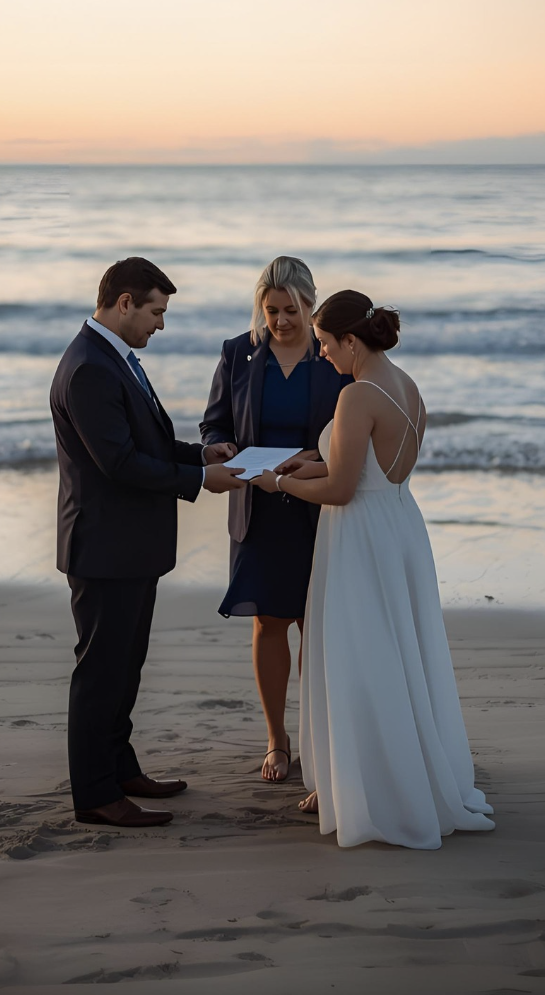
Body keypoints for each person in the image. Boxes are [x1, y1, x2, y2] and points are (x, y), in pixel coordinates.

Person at [254, 290, 495, 848]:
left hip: (359, 537)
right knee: (395, 653)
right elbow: (374, 470)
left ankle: (362, 786)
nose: (321, 353)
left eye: (325, 343)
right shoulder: (408, 386)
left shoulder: (356, 395)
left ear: (351, 340)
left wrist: (278, 482)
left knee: (358, 656)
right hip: (400, 527)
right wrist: (309, 462)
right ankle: (376, 773)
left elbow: (343, 490)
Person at [50, 257, 244, 828]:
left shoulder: (113, 359)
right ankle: (95, 794)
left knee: (125, 667)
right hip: (105, 548)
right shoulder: (89, 368)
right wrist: (200, 480)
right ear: (124, 303)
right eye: (156, 312)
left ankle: (120, 769)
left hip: (128, 546)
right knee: (101, 673)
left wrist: (199, 454)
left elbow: (145, 444)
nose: (161, 324)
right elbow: (119, 464)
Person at [201, 257, 350, 782]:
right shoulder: (237, 353)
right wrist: (219, 446)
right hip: (258, 509)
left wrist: (314, 458)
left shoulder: (332, 357)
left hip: (318, 506)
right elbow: (214, 422)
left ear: (311, 305)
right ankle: (277, 740)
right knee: (268, 621)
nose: (281, 321)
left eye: (291, 310)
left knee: (317, 625)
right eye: (272, 311)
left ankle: (317, 738)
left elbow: (350, 432)